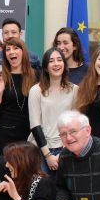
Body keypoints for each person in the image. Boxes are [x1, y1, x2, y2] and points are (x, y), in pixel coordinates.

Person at [29, 47, 78, 177]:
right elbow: (35, 125)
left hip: (66, 148)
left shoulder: (74, 90)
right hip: (40, 149)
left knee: (63, 192)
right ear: (45, 67)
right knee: (43, 191)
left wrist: (62, 153)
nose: (56, 64)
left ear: (64, 64)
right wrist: (48, 156)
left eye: (59, 60)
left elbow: (74, 125)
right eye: (51, 61)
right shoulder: (36, 90)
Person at [0, 37, 42, 153]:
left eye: (16, 48)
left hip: (30, 137)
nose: (11, 52)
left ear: (23, 52)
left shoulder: (37, 76)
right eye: (8, 49)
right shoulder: (0, 77)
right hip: (5, 137)